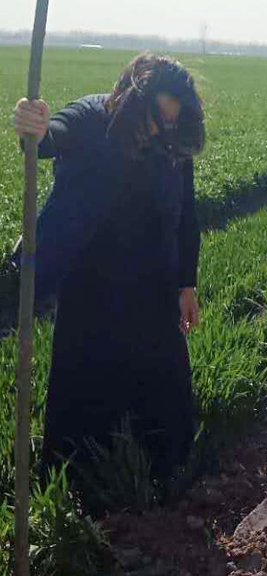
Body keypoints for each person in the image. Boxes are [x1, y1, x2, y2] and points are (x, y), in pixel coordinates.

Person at [12, 53, 205, 505]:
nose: (162, 130)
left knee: (163, 380)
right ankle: (74, 481)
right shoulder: (92, 116)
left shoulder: (173, 144)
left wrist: (187, 283)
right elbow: (49, 137)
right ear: (132, 100)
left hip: (153, 278)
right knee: (83, 378)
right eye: (157, 118)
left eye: (172, 122)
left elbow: (186, 218)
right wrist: (33, 126)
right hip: (90, 277)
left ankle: (166, 467)